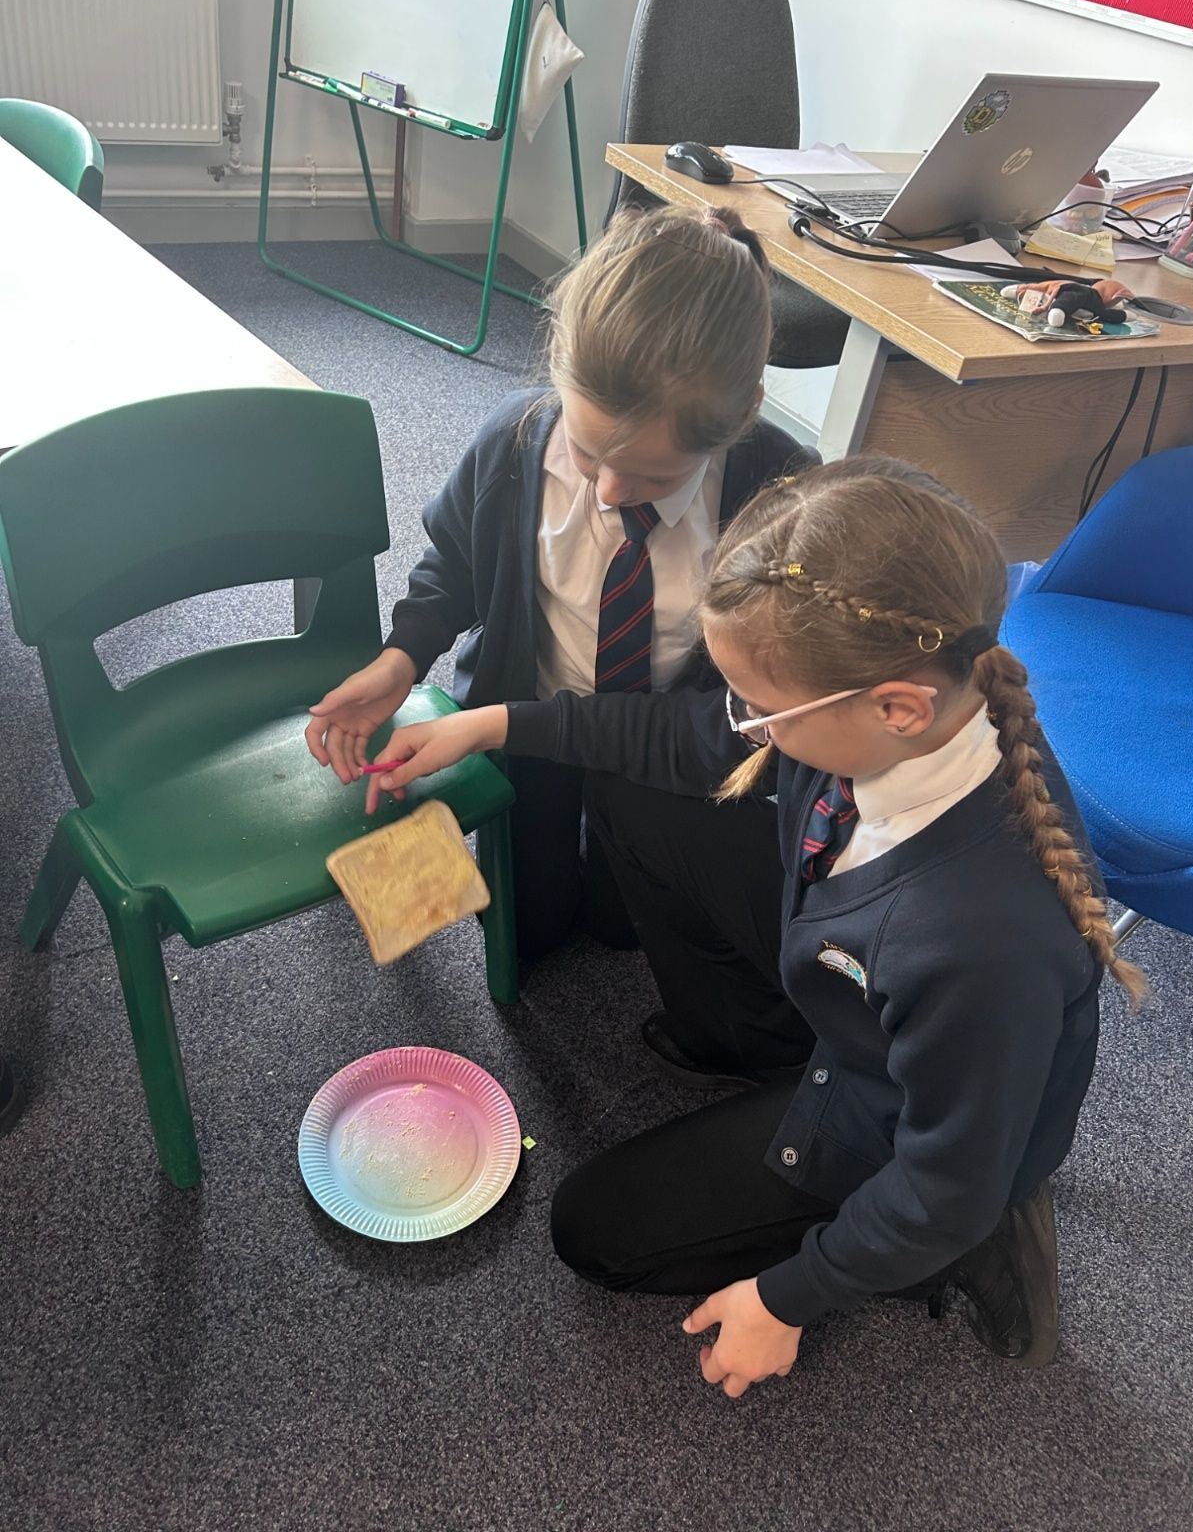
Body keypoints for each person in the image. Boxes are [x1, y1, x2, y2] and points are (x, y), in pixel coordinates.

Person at [365, 458, 1143, 1383]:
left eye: (766, 712)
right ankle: (757, 1046)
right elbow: (687, 736)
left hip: (910, 1126)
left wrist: (788, 1298)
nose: (745, 726)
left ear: (898, 708)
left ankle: (973, 1251)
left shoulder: (983, 945)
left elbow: (946, 1185)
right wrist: (490, 724)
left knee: (593, 1231)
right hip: (867, 993)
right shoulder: (911, 709)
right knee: (631, 792)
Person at [307, 203, 818, 1077]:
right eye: (587, 455)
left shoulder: (780, 497)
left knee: (620, 929)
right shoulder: (514, 442)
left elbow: (737, 723)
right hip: (526, 720)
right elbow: (454, 564)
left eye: (653, 475)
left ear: (740, 419)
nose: (610, 492)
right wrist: (402, 658)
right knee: (526, 928)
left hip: (659, 749)